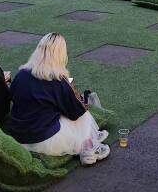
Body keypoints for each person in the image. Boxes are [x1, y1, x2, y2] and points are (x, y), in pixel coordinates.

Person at [8, 33, 110, 166]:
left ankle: (91, 137)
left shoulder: (21, 75)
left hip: (18, 137)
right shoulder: (58, 80)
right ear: (60, 54)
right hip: (44, 141)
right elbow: (76, 112)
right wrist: (73, 92)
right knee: (82, 114)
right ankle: (88, 148)